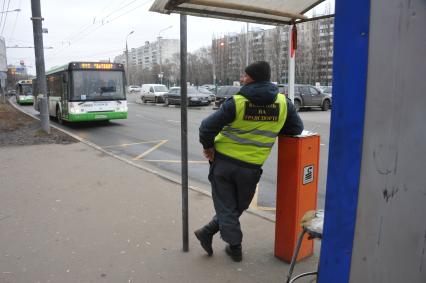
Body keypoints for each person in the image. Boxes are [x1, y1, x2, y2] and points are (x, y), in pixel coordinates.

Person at [195, 61, 304, 262]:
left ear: (252, 78)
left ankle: (224, 241)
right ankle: (227, 243)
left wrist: (208, 147)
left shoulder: (236, 102)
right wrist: (272, 129)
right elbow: (296, 129)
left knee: (229, 207)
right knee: (236, 206)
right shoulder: (283, 103)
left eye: (244, 76)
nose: (242, 79)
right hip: (251, 167)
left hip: (224, 163)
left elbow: (206, 127)